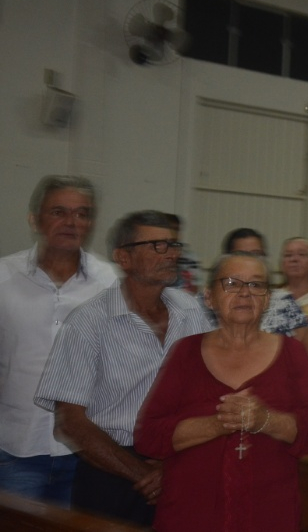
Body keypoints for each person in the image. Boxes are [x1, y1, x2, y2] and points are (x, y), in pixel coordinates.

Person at [34, 210, 212, 526]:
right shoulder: (89, 322)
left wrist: (173, 469)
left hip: (180, 465)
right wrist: (144, 474)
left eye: (173, 245)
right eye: (157, 245)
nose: (171, 254)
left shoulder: (190, 311)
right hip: (111, 472)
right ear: (123, 258)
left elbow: (207, 394)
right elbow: (70, 422)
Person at [135, 252, 308, 532]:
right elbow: (148, 437)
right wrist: (218, 423)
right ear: (209, 297)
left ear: (266, 299)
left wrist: (265, 420)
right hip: (191, 515)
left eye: (256, 285)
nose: (244, 293)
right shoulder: (186, 352)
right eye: (231, 283)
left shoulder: (292, 353)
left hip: (268, 514)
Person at [0, 175, 117, 505]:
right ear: (34, 219)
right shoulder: (3, 279)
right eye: (59, 212)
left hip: (86, 455)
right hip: (14, 452)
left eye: (82, 214)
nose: (71, 222)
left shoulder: (111, 284)